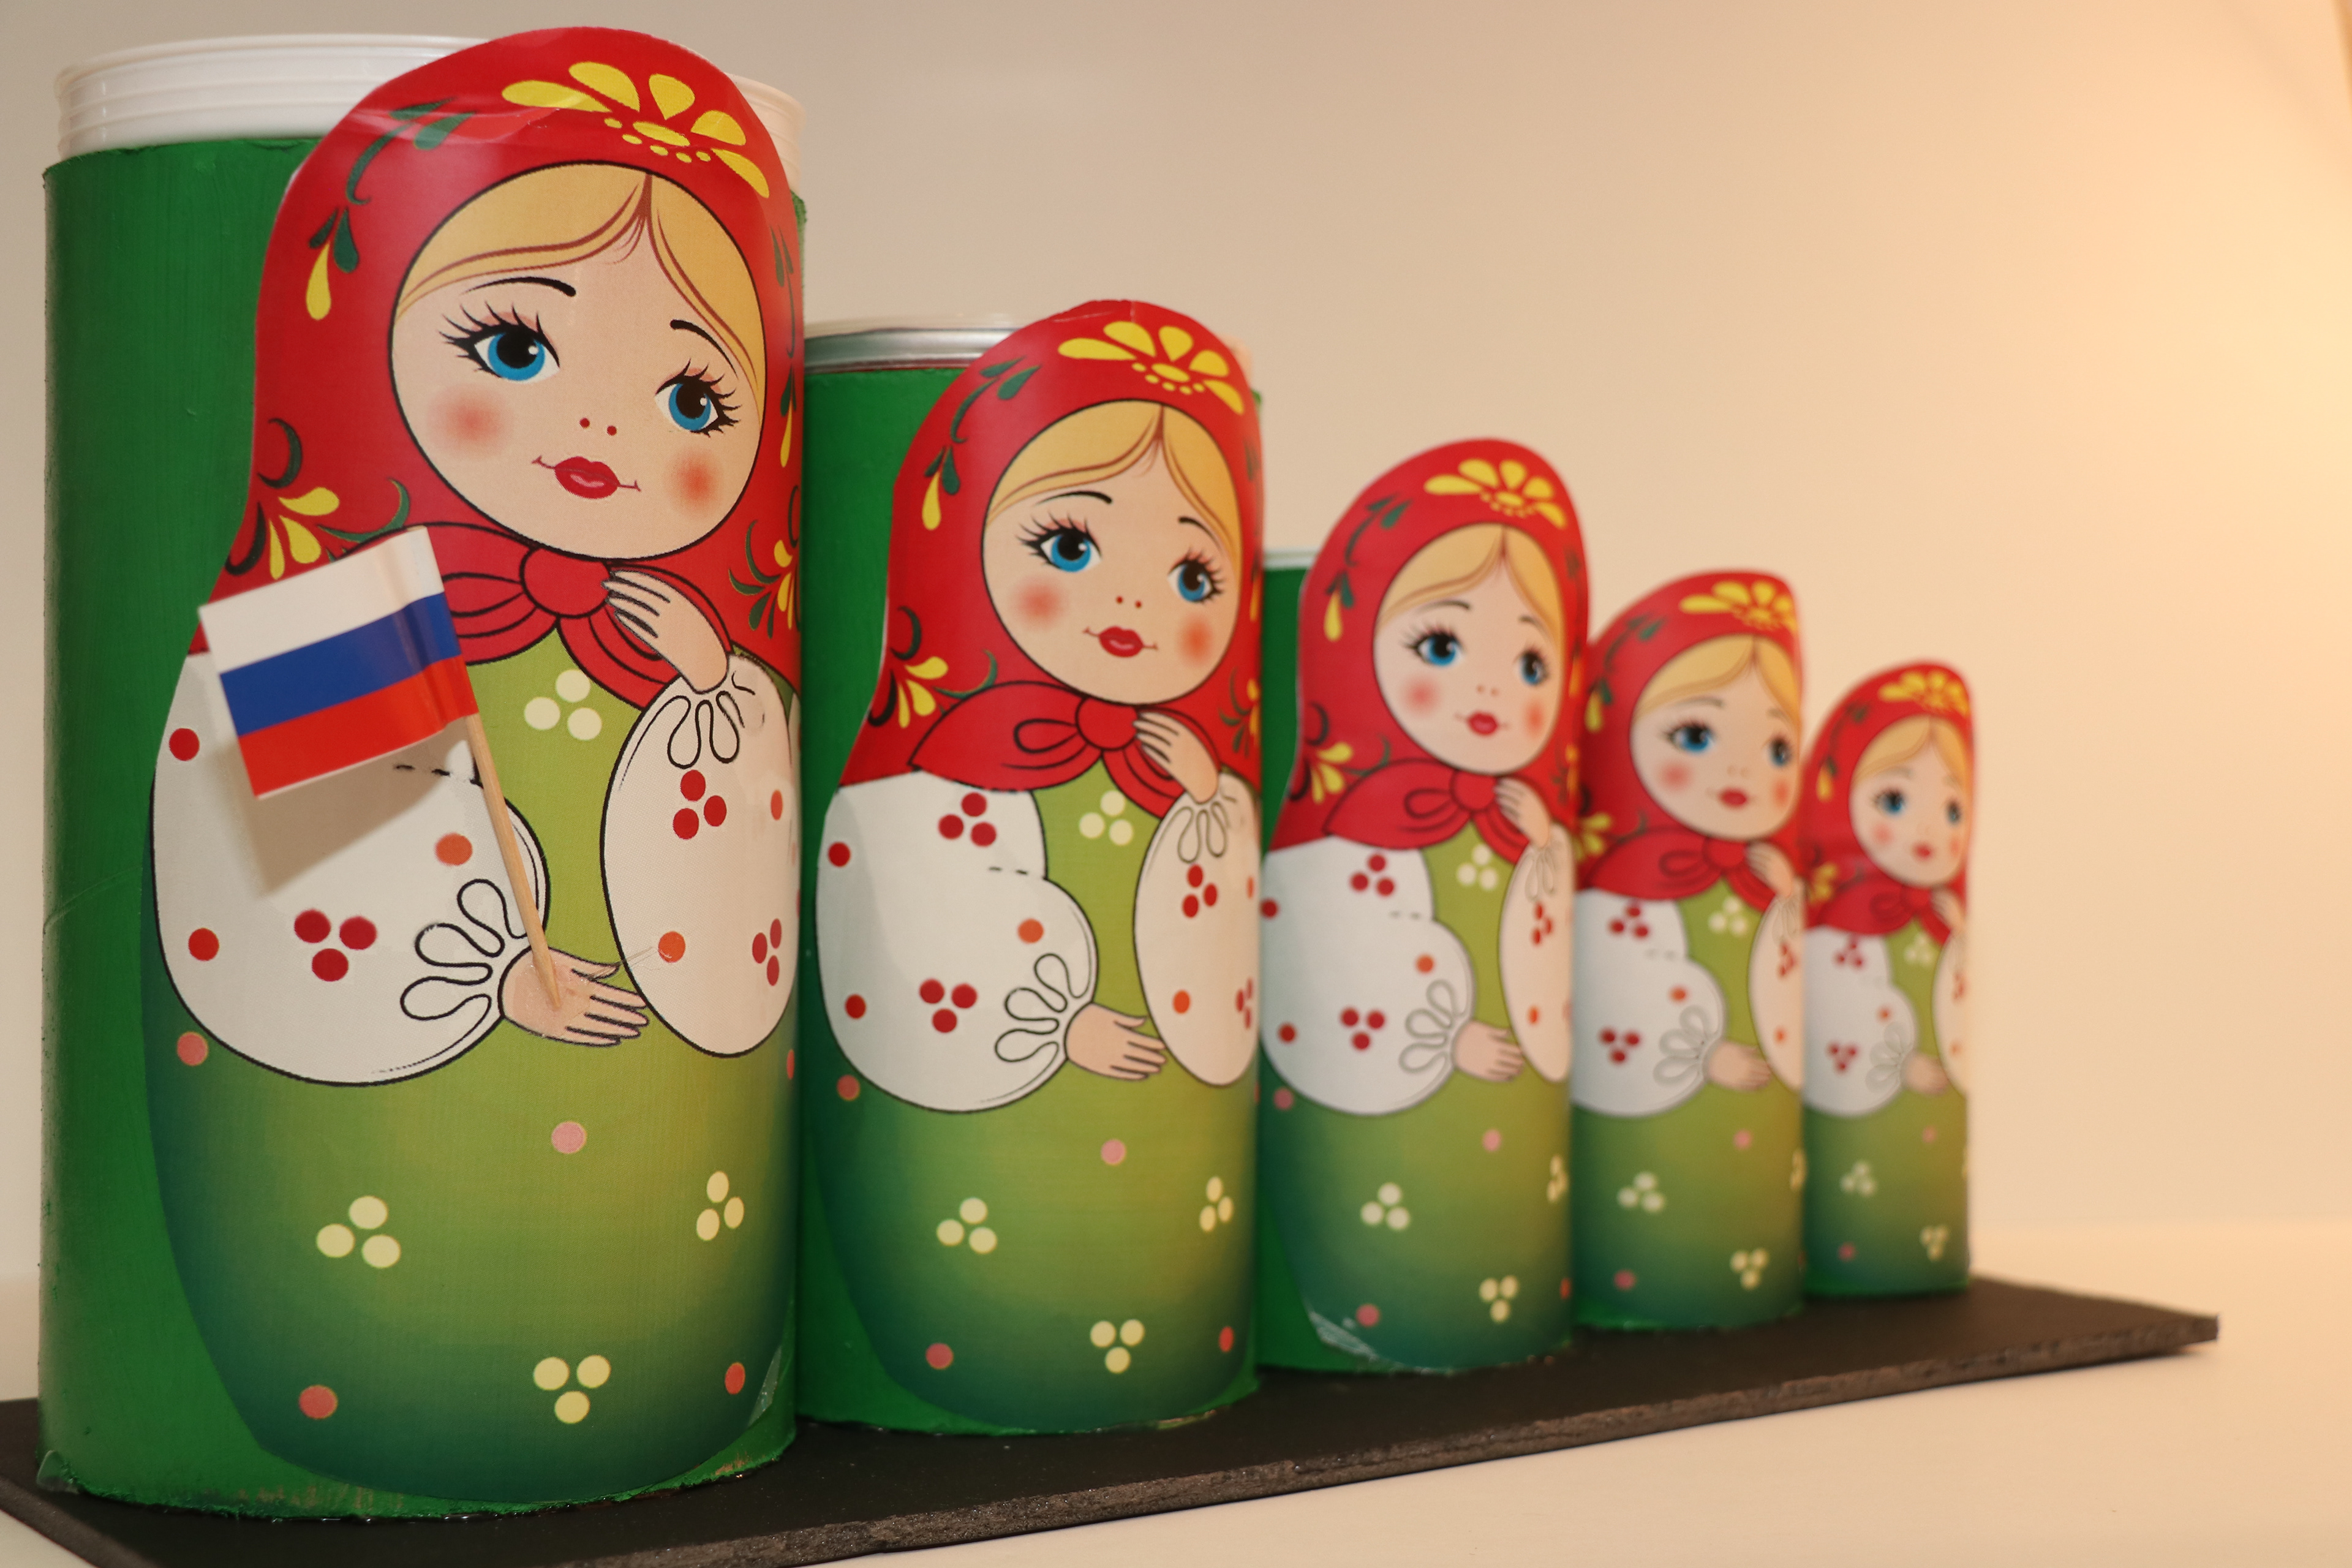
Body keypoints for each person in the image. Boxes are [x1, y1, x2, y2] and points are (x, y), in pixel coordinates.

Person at [143, 31, 801, 1502]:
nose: (603, 426)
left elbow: (736, 882)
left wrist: (711, 689)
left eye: (692, 399)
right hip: (382, 1165)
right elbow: (299, 876)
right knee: (379, 1253)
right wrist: (488, 965)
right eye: (514, 346)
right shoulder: (334, 614)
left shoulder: (690, 637)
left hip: (658, 1158)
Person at [810, 303, 1262, 1431]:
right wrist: (1055, 1022)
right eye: (1070, 546)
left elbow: (1216, 950)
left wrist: (1203, 803)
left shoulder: (1201, 776)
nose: (1134, 602)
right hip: (961, 1183)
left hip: (1169, 1182)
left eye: (1192, 574)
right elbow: (917, 933)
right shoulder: (920, 775)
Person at [1257, 442, 1585, 1370]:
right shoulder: (1332, 837)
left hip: (1508, 1146)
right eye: (1442, 646)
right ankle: (1346, 1318)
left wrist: (1539, 851)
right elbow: (1339, 971)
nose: (1490, 688)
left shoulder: (1527, 816)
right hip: (1369, 1132)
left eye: (1530, 662)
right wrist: (1442, 1037)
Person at [1572, 573, 1806, 1327]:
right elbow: (1622, 1008)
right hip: (1635, 1153)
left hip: (1759, 1166)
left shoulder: (1774, 879)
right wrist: (1702, 1055)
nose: (1740, 770)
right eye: (1696, 736)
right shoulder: (1610, 892)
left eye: (1776, 746)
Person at [1800, 664, 1974, 1293]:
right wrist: (1898, 1065)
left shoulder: (1945, 919)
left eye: (1952, 807)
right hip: (1850, 1127)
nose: (1929, 831)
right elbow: (1840, 1023)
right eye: (1894, 802)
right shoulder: (1827, 934)